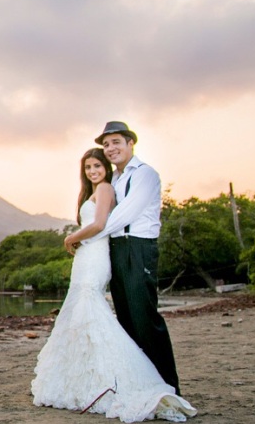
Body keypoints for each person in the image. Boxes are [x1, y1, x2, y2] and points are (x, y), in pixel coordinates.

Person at [32, 147, 195, 422]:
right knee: (82, 312)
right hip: (88, 254)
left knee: (92, 309)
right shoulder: (101, 188)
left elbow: (99, 223)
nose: (93, 171)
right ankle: (84, 376)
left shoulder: (106, 188)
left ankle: (136, 379)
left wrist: (70, 239)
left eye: (97, 166)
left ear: (106, 167)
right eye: (88, 168)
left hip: (95, 253)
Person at [66, 121, 181, 394]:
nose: (110, 148)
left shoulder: (145, 174)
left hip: (138, 247)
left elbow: (122, 216)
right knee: (126, 321)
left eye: (116, 142)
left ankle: (168, 387)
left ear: (131, 143)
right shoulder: (113, 179)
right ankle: (140, 384)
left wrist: (83, 237)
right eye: (106, 144)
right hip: (116, 250)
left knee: (144, 317)